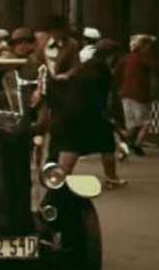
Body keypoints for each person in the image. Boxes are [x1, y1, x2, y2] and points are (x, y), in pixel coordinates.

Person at [56, 39, 127, 189]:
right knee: (107, 146)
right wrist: (111, 116)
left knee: (73, 146)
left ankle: (60, 178)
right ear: (111, 55)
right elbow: (105, 96)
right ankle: (111, 178)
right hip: (93, 114)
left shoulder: (86, 67)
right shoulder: (102, 70)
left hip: (74, 112)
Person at [34, 15, 82, 165]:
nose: (55, 34)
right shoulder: (41, 42)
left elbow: (76, 66)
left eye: (58, 31)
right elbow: (37, 64)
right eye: (52, 31)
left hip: (62, 88)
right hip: (43, 84)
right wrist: (38, 87)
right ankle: (37, 150)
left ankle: (52, 159)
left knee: (58, 124)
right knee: (40, 121)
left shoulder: (72, 45)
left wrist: (66, 75)